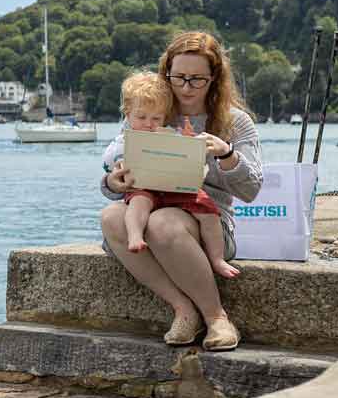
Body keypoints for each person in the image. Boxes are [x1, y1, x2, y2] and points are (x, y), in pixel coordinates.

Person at [100, 31, 263, 352]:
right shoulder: (149, 112)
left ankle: (216, 317)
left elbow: (252, 189)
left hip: (208, 222)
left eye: (197, 79)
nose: (186, 87)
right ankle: (182, 309)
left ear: (214, 79)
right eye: (178, 78)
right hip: (148, 205)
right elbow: (113, 169)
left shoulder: (235, 122)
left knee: (163, 223)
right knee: (110, 218)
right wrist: (113, 182)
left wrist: (227, 153)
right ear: (167, 74)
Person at [102, 71, 237, 279]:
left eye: (156, 118)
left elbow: (187, 153)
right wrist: (116, 170)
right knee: (139, 202)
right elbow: (108, 161)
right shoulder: (123, 140)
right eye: (141, 117)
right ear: (127, 115)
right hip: (145, 188)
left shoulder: (167, 133)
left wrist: (189, 141)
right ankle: (135, 236)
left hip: (176, 188)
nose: (149, 123)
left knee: (209, 211)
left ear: (164, 117)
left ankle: (217, 258)